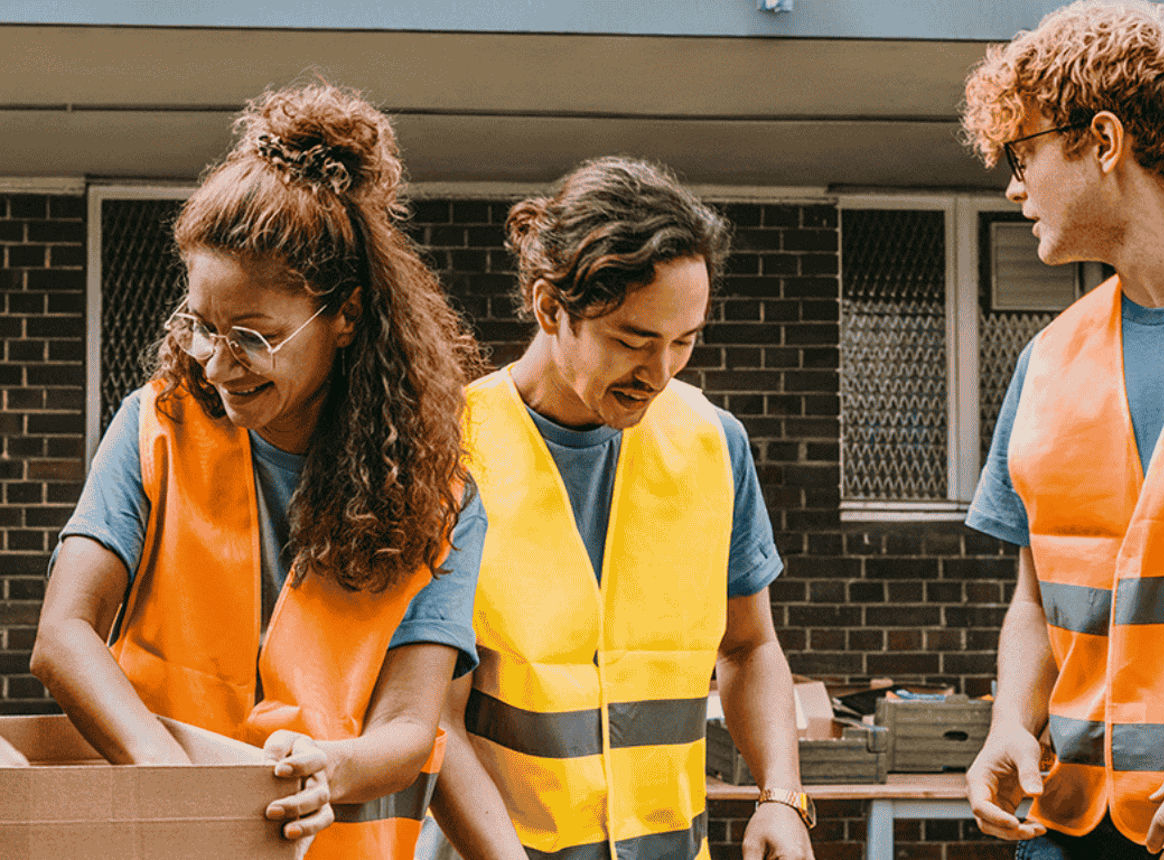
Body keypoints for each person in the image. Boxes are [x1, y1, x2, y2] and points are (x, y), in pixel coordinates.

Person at [31, 81, 485, 859]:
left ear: (345, 316)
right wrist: (184, 801)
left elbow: (413, 726)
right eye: (201, 326)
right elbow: (63, 636)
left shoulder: (439, 498)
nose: (214, 363)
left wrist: (332, 772)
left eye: (253, 335)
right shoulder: (155, 425)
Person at [959, 3, 1164, 859]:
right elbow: (1034, 598)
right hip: (1068, 830)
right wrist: (1008, 723)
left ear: (1103, 141)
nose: (1012, 185)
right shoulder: (1048, 357)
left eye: (1022, 153)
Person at [425, 156, 815, 860]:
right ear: (550, 308)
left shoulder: (713, 443)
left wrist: (780, 796)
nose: (660, 373)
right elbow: (434, 721)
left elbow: (750, 646)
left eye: (684, 342)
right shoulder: (449, 453)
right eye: (633, 341)